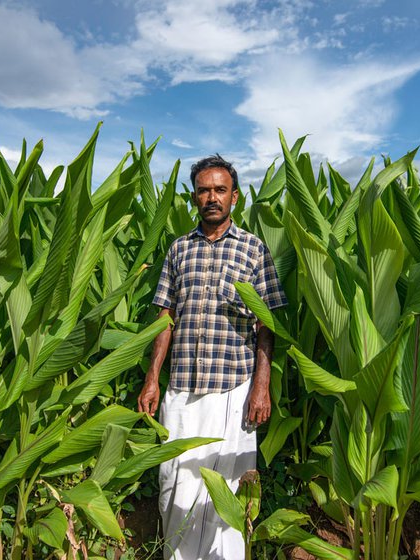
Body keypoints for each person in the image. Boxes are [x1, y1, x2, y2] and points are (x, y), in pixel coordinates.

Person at [137, 154, 287, 559]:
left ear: (234, 197)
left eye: (220, 190)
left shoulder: (253, 249)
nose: (212, 197)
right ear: (194, 197)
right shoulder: (179, 249)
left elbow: (266, 324)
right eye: (204, 190)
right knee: (175, 484)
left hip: (233, 390)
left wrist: (262, 384)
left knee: (228, 490)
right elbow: (164, 317)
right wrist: (153, 377)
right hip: (183, 387)